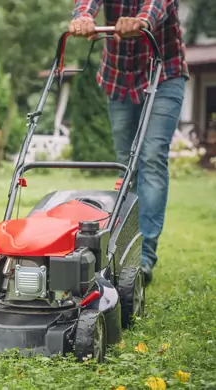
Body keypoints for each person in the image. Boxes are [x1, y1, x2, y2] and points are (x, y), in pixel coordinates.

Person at [69, 0, 188, 285]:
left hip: (164, 75)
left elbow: (157, 5)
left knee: (150, 156)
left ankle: (145, 256)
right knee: (127, 164)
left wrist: (141, 21)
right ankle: (126, 248)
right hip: (119, 78)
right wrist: (83, 16)